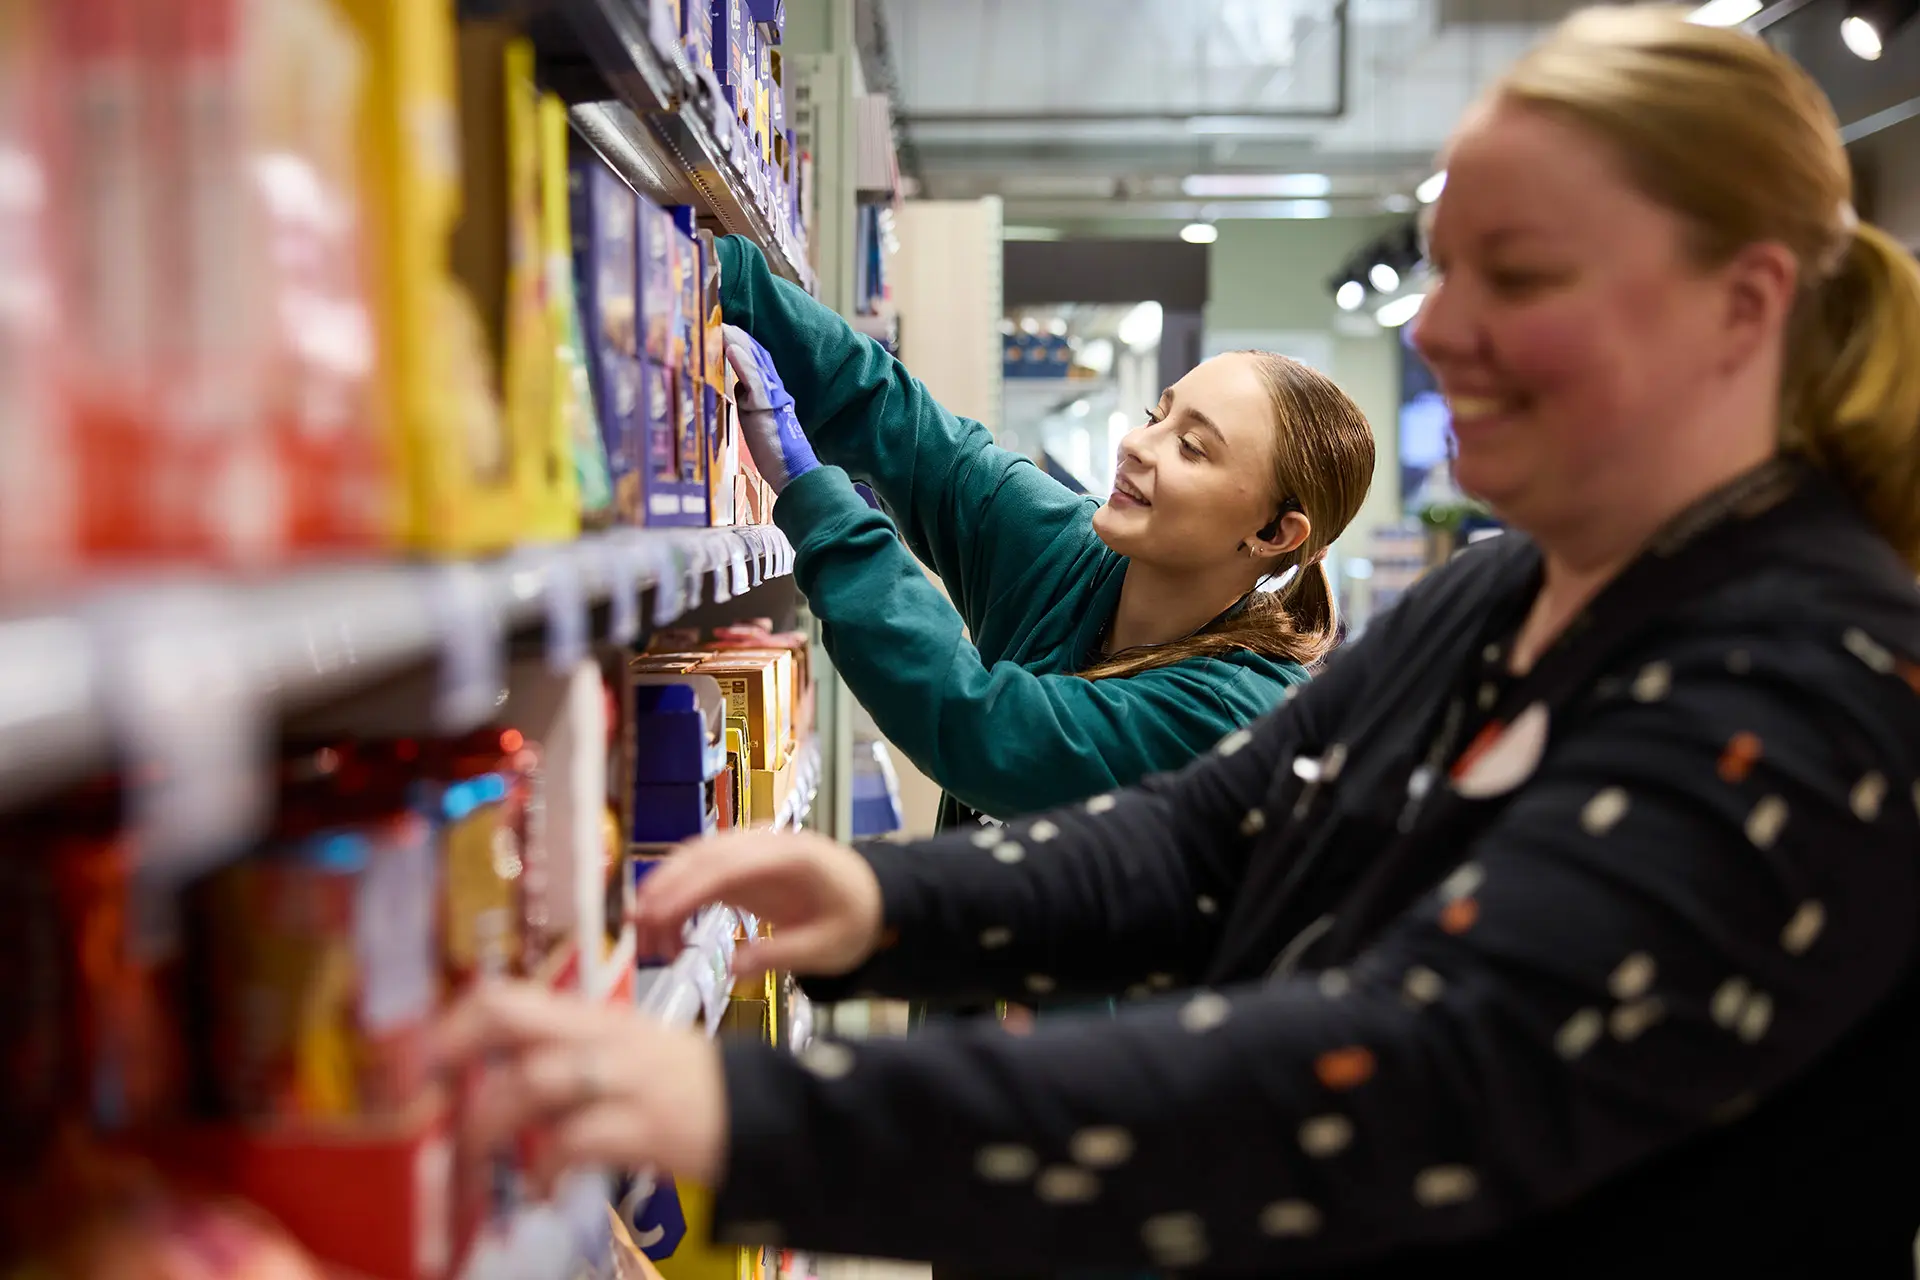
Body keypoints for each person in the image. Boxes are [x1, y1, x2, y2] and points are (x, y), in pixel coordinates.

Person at [436, 8, 1920, 1274]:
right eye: (1444, 266)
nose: (1433, 330)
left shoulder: (1808, 697)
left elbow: (1394, 1076)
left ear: (1743, 306)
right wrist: (887, 895)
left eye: (1516, 276)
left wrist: (754, 1118)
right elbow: (1213, 838)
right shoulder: (1503, 592)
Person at [715, 238, 1376, 829]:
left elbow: (981, 731)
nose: (1137, 444)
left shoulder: (1230, 718)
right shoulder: (1068, 551)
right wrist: (725, 276)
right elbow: (905, 429)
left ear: (1275, 532)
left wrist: (817, 498)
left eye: (1193, 448)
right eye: (1157, 416)